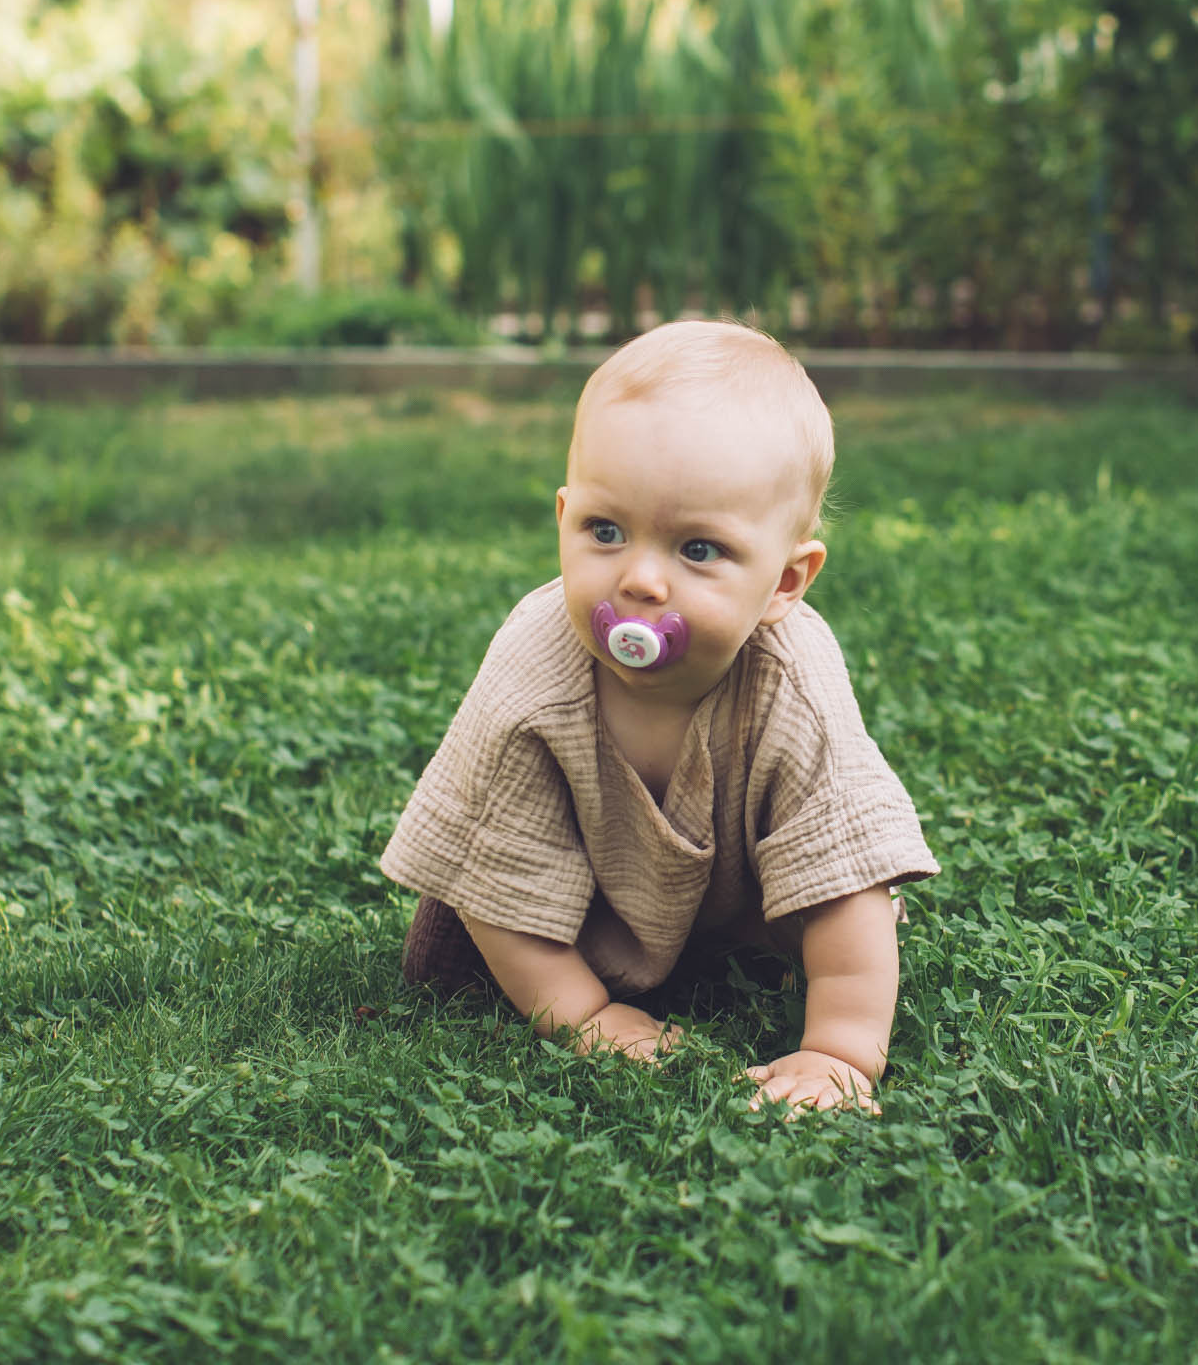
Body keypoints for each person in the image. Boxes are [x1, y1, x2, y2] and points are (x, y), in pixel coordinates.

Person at [383, 321, 936, 1110]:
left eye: (698, 550)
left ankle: (724, 955)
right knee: (444, 958)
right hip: (570, 893)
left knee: (836, 904)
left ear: (785, 582)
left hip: (748, 890)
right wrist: (588, 1017)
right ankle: (595, 973)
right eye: (605, 532)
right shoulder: (533, 669)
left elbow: (847, 872)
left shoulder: (793, 684)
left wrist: (840, 1052)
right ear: (563, 518)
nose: (640, 581)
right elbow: (491, 860)